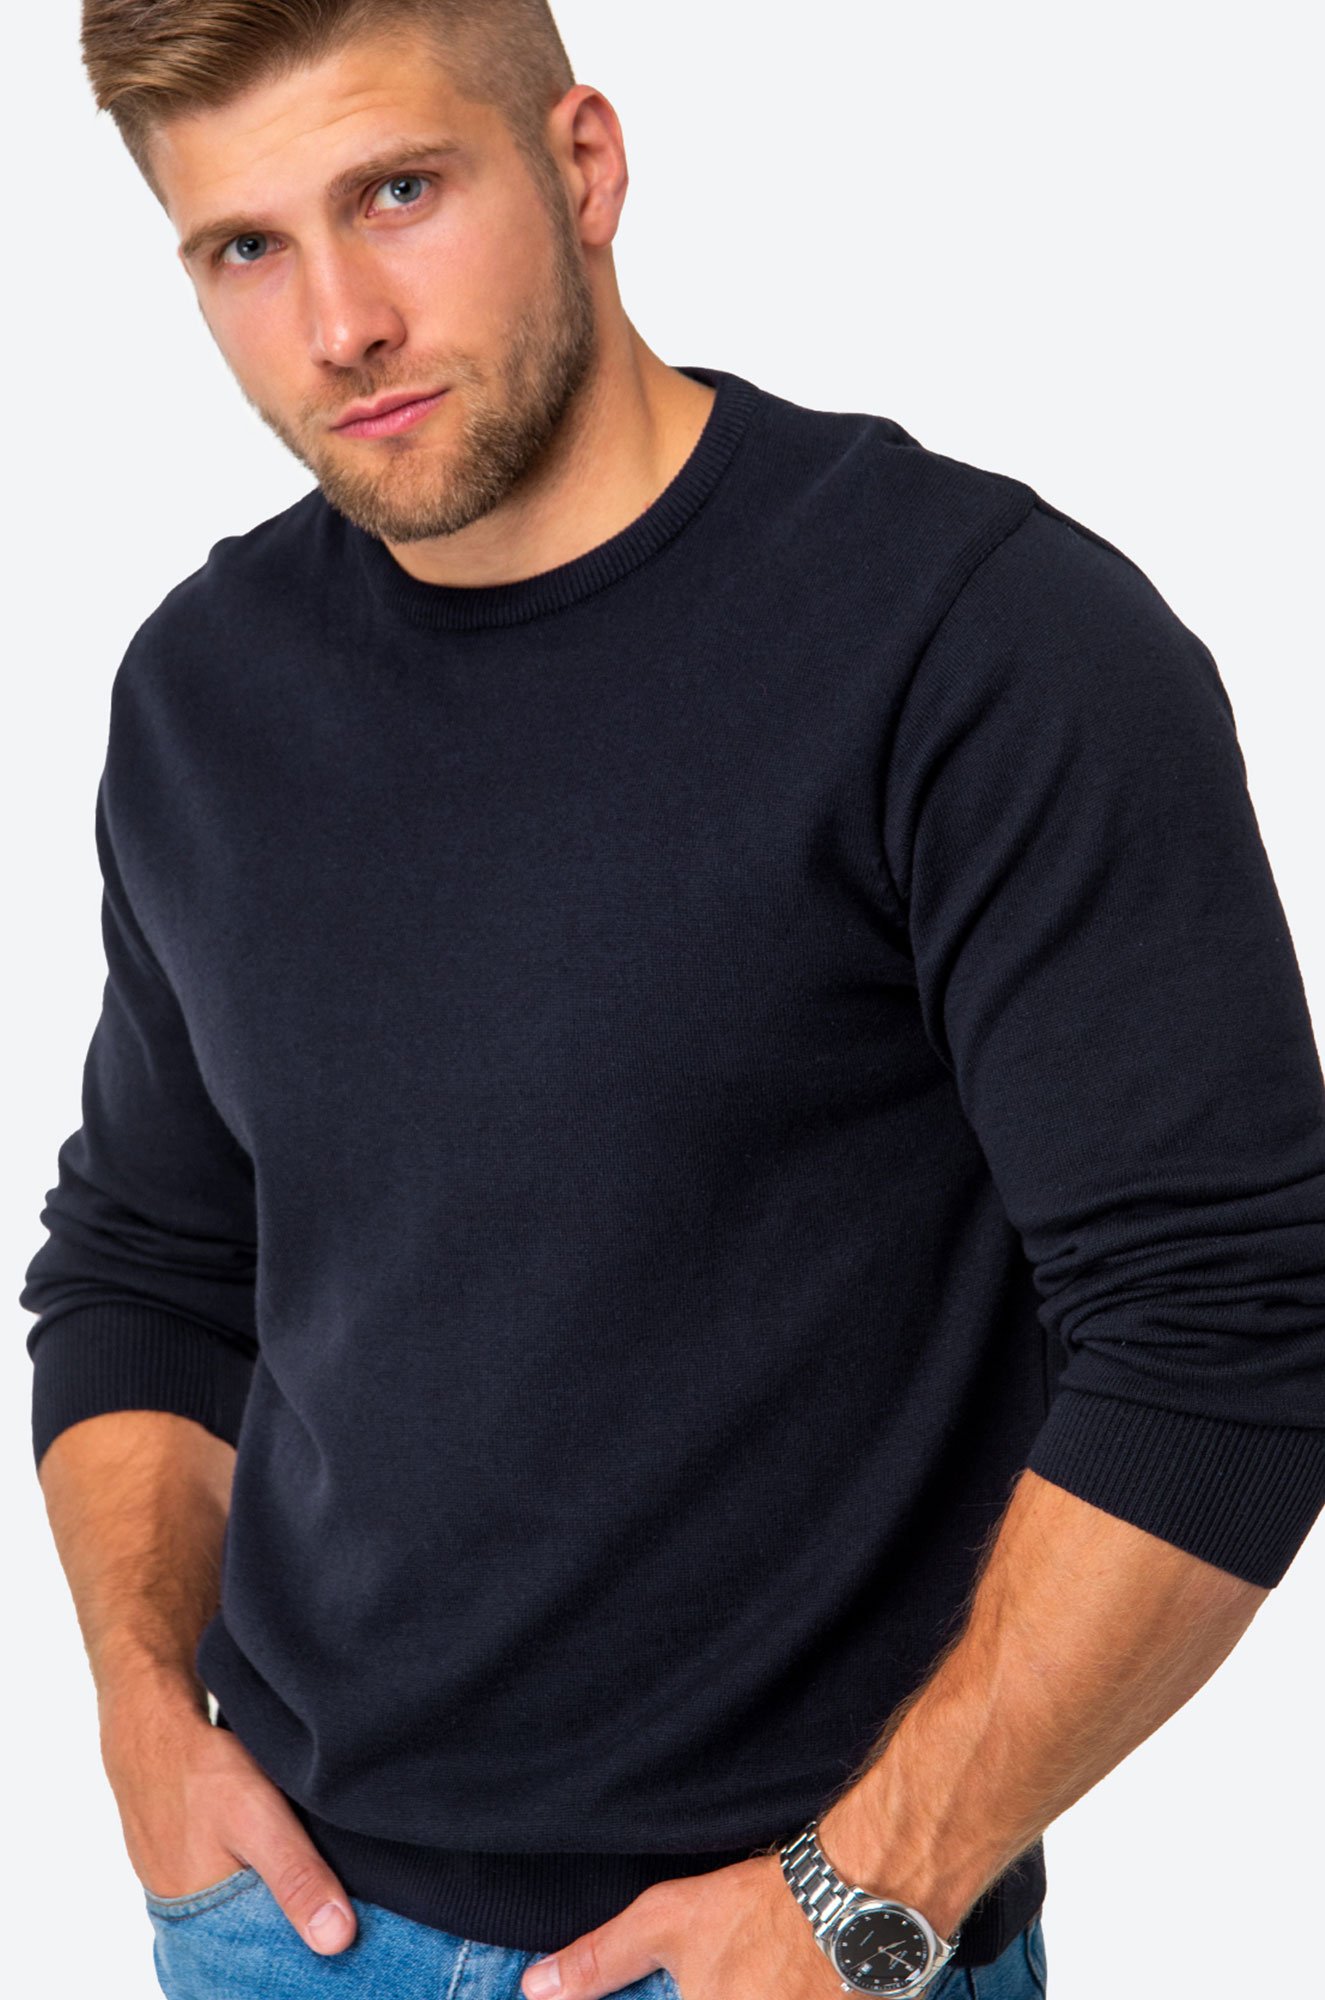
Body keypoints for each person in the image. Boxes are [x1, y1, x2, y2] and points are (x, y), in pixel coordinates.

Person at [22, 4, 1325, 1999]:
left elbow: (1233, 1333)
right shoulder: (204, 689)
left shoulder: (978, 641)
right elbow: (149, 1256)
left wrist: (867, 1895)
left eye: (399, 191)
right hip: (281, 1928)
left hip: (789, 1945)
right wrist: (135, 1705)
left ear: (584, 165)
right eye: (246, 247)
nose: (341, 324)